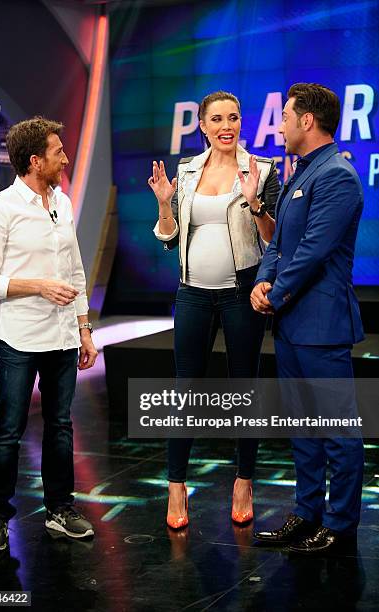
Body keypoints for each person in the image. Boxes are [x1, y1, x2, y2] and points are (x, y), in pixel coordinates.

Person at [149, 91, 280, 529]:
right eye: (217, 119)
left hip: (241, 294)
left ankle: (243, 481)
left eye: (234, 118)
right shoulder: (186, 171)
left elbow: (274, 237)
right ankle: (176, 487)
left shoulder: (261, 170)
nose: (227, 126)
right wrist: (165, 203)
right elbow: (169, 238)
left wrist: (255, 201)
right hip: (192, 294)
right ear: (202, 125)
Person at [0, 117, 98, 552]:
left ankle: (60, 509)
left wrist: (84, 329)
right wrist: (37, 285)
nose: (65, 158)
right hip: (19, 340)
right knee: (9, 429)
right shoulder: (0, 208)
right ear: (34, 160)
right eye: (58, 152)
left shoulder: (62, 201)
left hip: (63, 338)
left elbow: (76, 270)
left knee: (60, 427)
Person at [251, 83, 365, 554]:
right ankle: (306, 513)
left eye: (286, 117)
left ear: (307, 121)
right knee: (302, 428)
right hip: (293, 325)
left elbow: (315, 250)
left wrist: (274, 294)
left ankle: (338, 525)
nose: (280, 126)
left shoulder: (336, 176)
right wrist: (262, 280)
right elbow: (279, 244)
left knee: (337, 429)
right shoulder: (300, 173)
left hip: (321, 325)